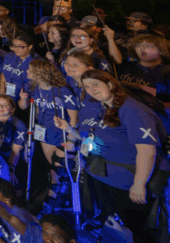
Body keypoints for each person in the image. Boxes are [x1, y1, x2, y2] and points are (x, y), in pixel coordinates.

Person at [55, 69, 168, 242]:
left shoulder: (132, 110)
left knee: (138, 231)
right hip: (107, 177)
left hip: (129, 181)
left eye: (96, 84)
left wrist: (139, 184)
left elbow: (148, 151)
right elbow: (94, 138)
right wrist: (69, 129)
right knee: (119, 227)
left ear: (109, 84)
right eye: (87, 86)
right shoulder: (102, 106)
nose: (92, 90)